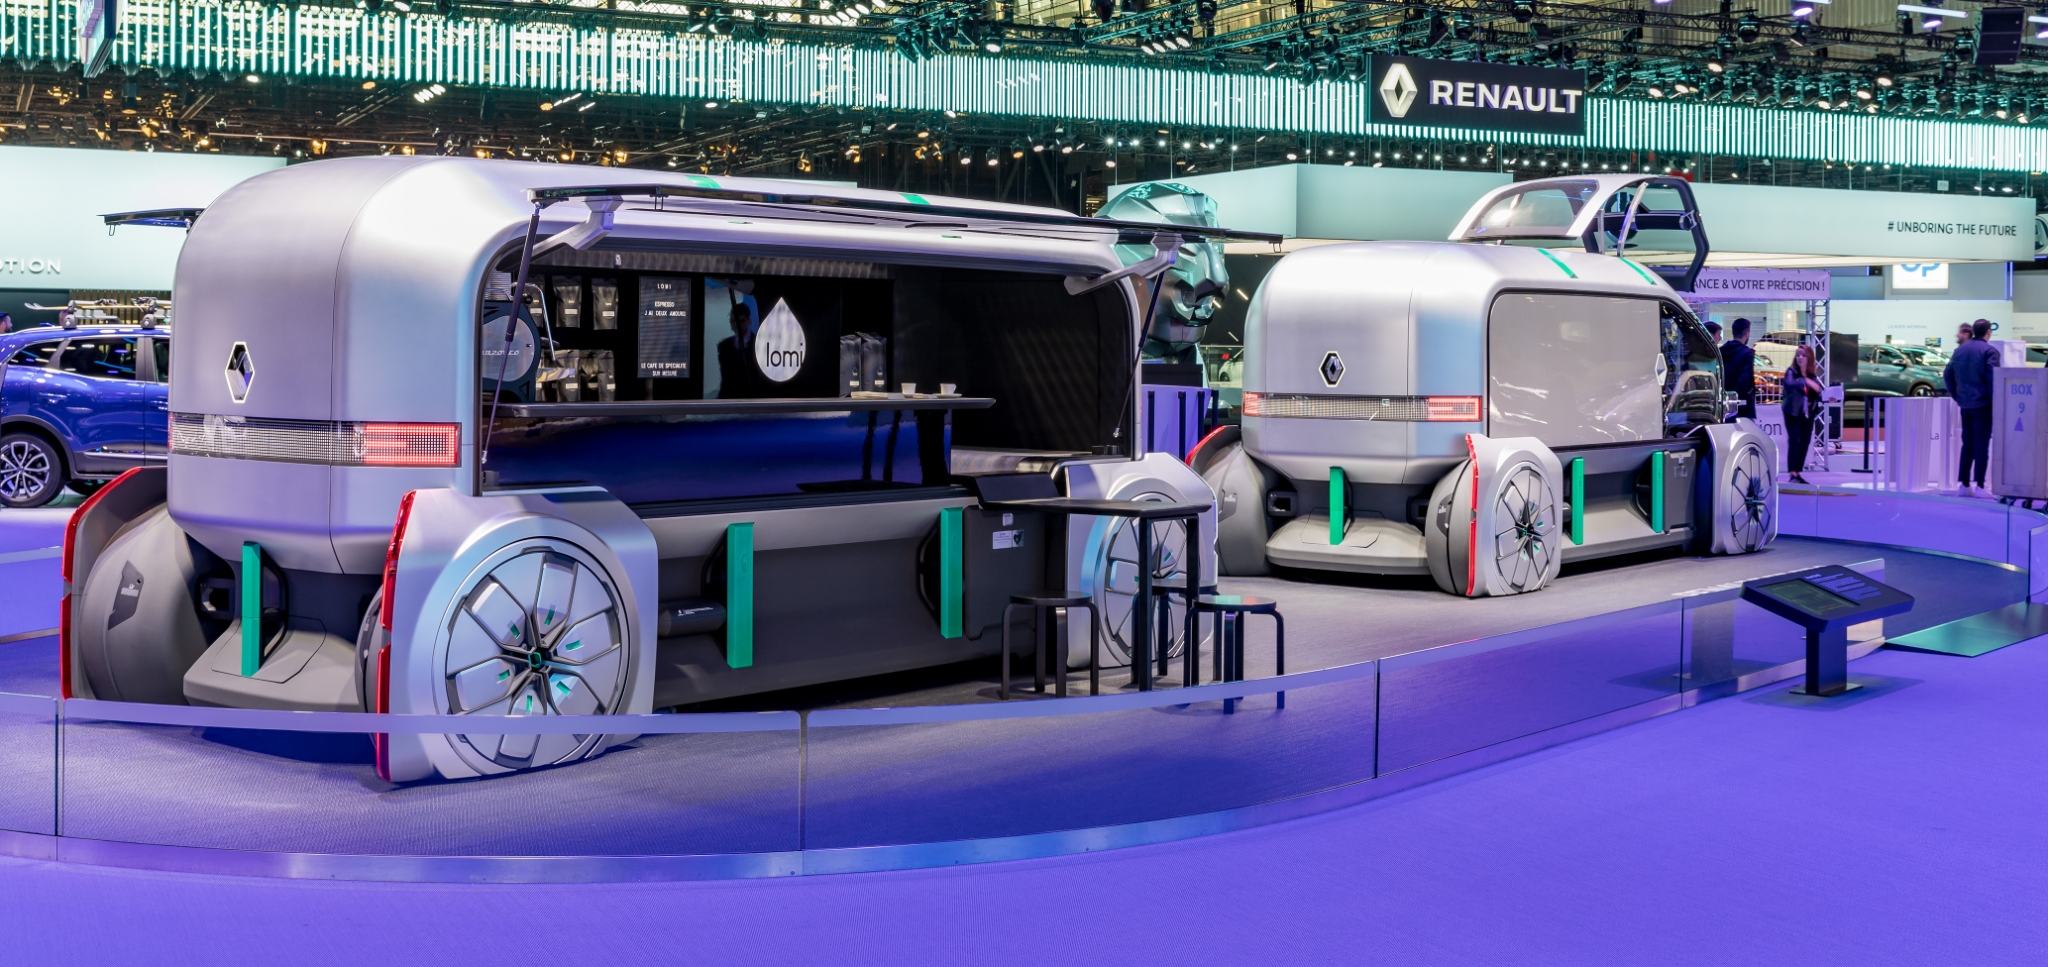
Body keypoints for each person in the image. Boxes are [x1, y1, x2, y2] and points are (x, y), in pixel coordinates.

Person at [1944, 318, 2000, 497]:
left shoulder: (1959, 351)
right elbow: (1993, 381)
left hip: (1965, 404)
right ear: (1988, 332)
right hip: (1983, 405)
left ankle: (1964, 484)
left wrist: (1958, 396)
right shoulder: (1990, 351)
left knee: (1967, 444)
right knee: (1981, 444)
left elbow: (1948, 375)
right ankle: (1980, 486)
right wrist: (1995, 403)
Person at [1781, 344, 1823, 485]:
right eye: (1798, 355)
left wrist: (1825, 397)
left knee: (1805, 442)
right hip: (1793, 412)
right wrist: (1805, 381)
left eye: (1803, 355)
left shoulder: (1812, 375)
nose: (1800, 357)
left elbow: (1817, 392)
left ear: (1809, 358)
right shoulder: (1791, 372)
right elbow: (1790, 385)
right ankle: (1793, 473)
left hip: (1807, 413)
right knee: (1795, 441)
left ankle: (1797, 472)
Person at [1720, 317, 1757, 420]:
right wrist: (1734, 396)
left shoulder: (1721, 351)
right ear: (1747, 334)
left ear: (1733, 332)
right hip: (1742, 404)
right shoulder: (1747, 353)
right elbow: (1745, 378)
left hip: (1723, 404)